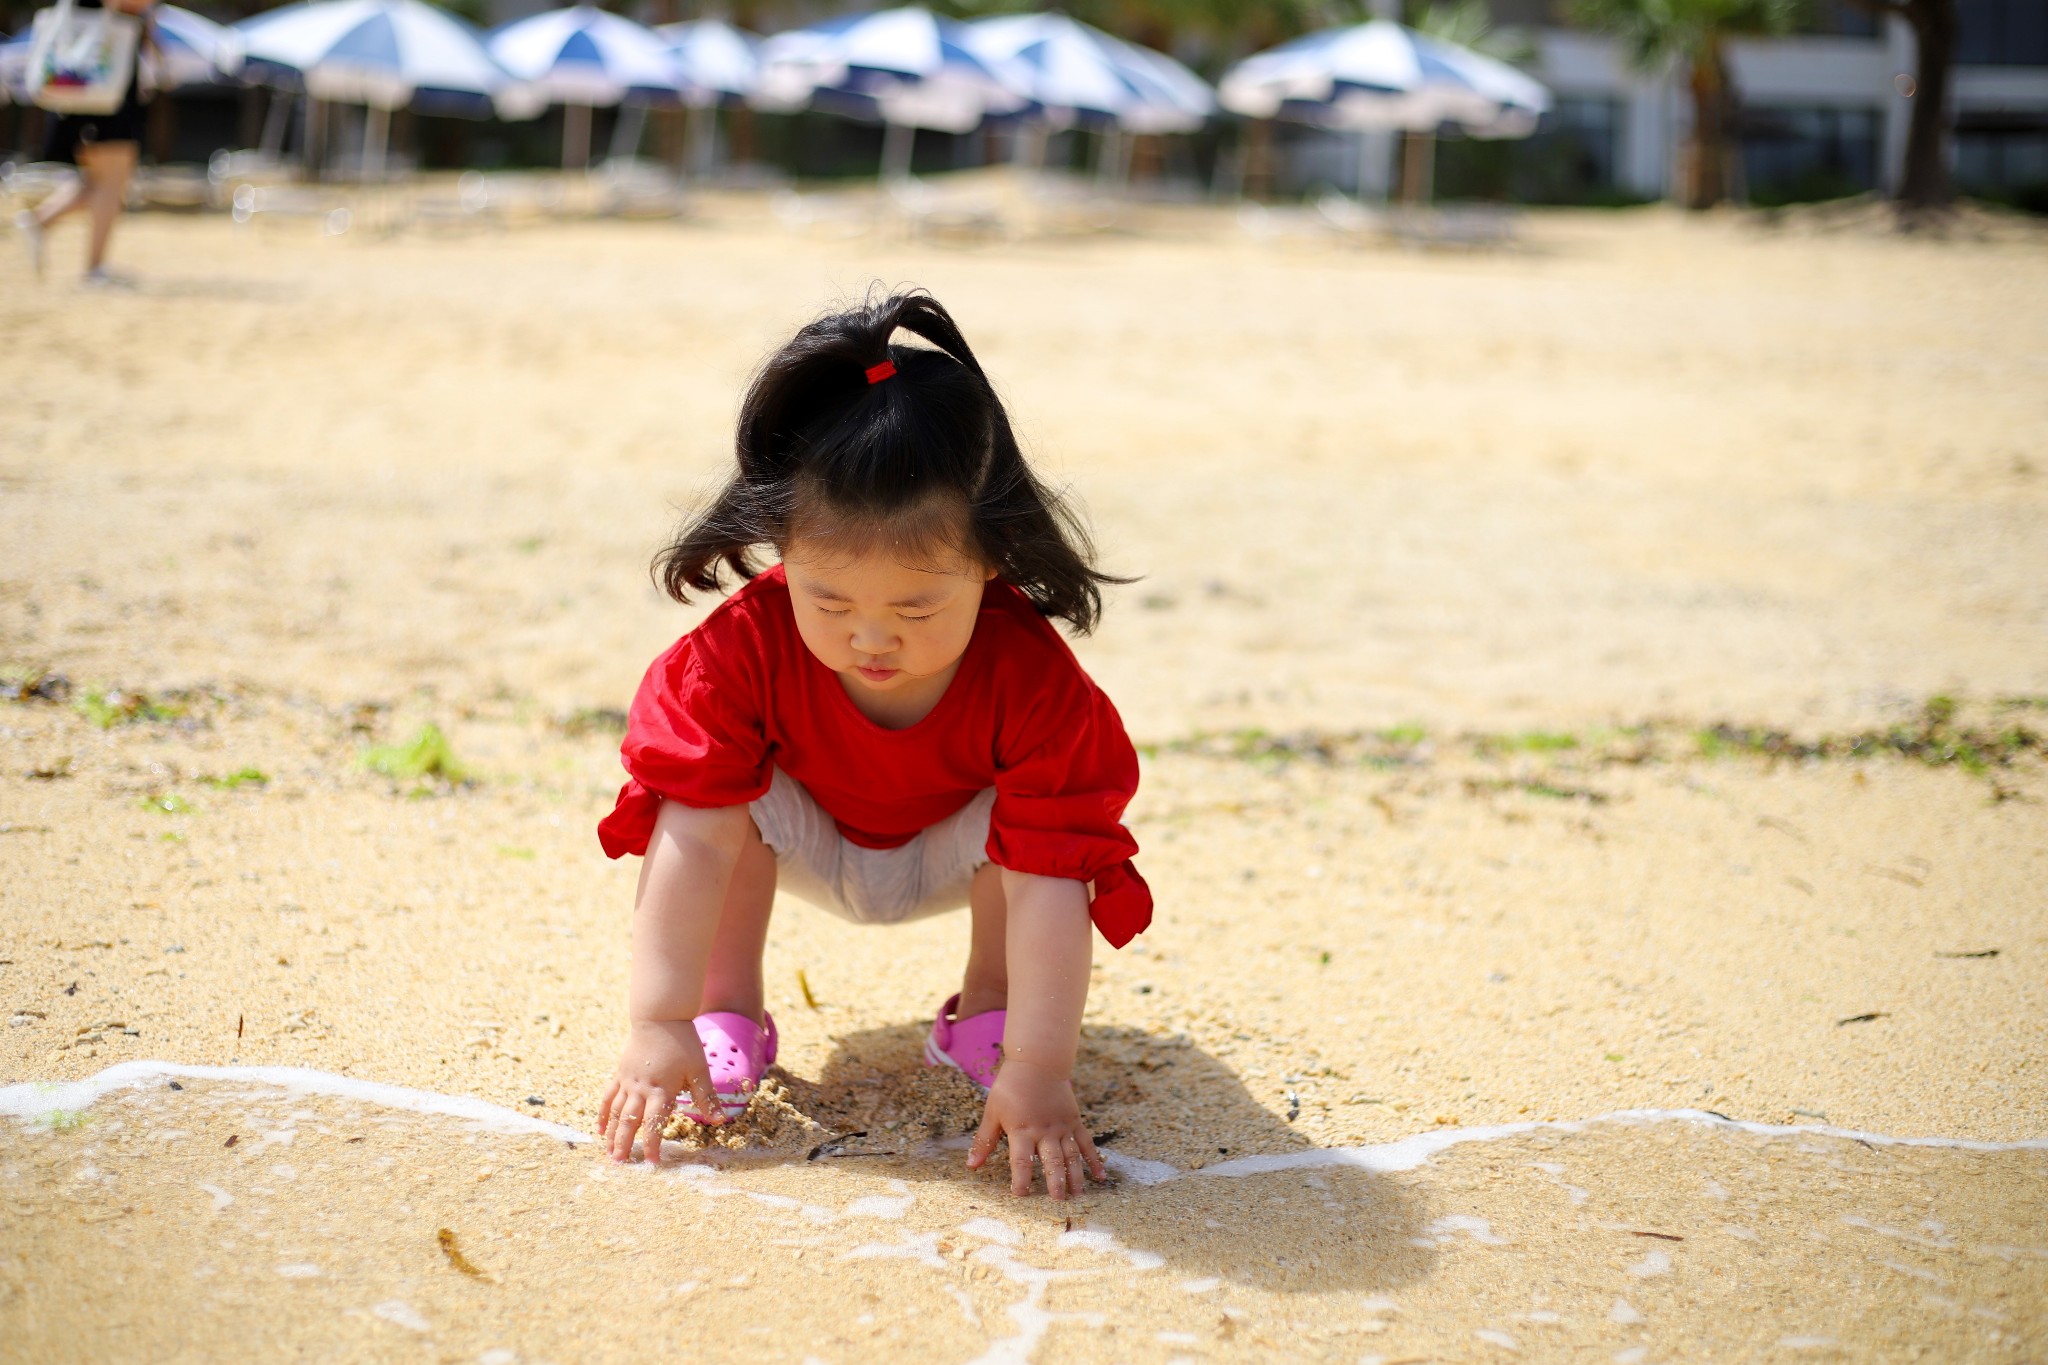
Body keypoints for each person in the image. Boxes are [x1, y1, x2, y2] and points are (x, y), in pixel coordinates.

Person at [594, 290, 1149, 1200]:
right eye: (831, 603)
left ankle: (988, 1017)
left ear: (991, 561)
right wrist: (656, 1020)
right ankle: (723, 1012)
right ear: (781, 553)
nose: (871, 639)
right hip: (803, 833)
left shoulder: (1034, 682)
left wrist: (1044, 1071)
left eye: (917, 607)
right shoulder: (736, 652)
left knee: (1032, 827)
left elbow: (1055, 875)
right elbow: (691, 837)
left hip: (956, 848)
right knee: (714, 800)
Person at [16, 0, 156, 286]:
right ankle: (95, 267)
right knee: (113, 179)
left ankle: (41, 221)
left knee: (99, 180)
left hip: (88, 80)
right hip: (103, 81)